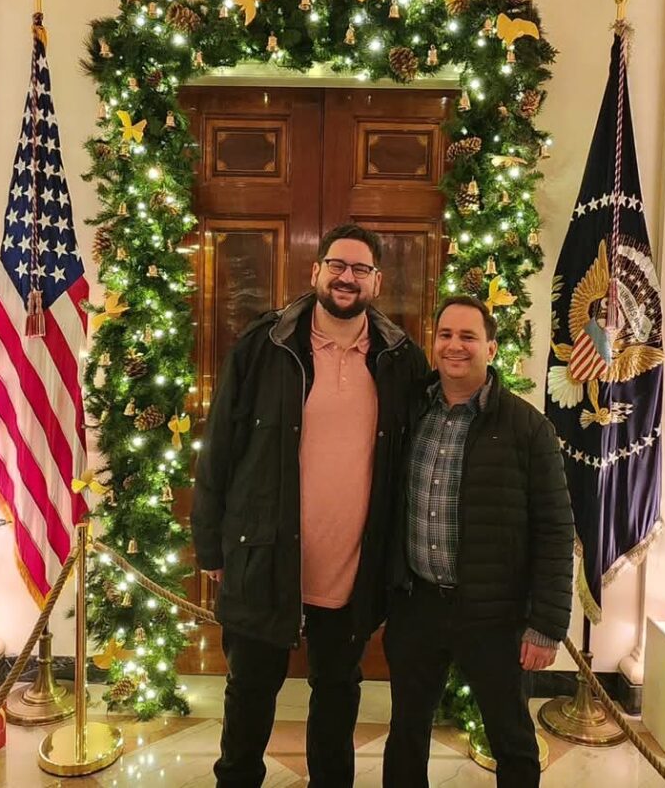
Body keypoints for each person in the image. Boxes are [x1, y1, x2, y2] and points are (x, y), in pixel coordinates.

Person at [191, 223, 430, 788]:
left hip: (353, 569)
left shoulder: (401, 360)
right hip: (264, 557)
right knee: (249, 693)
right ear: (316, 271)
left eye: (360, 270)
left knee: (338, 695)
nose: (347, 278)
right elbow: (219, 445)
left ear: (377, 281)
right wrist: (211, 543)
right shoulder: (264, 346)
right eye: (337, 266)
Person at [383, 295, 575, 788]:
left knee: (511, 739)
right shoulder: (410, 414)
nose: (455, 346)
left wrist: (546, 626)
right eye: (445, 335)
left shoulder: (527, 427)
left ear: (491, 347)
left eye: (468, 336)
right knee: (406, 733)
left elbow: (555, 528)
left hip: (495, 615)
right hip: (417, 607)